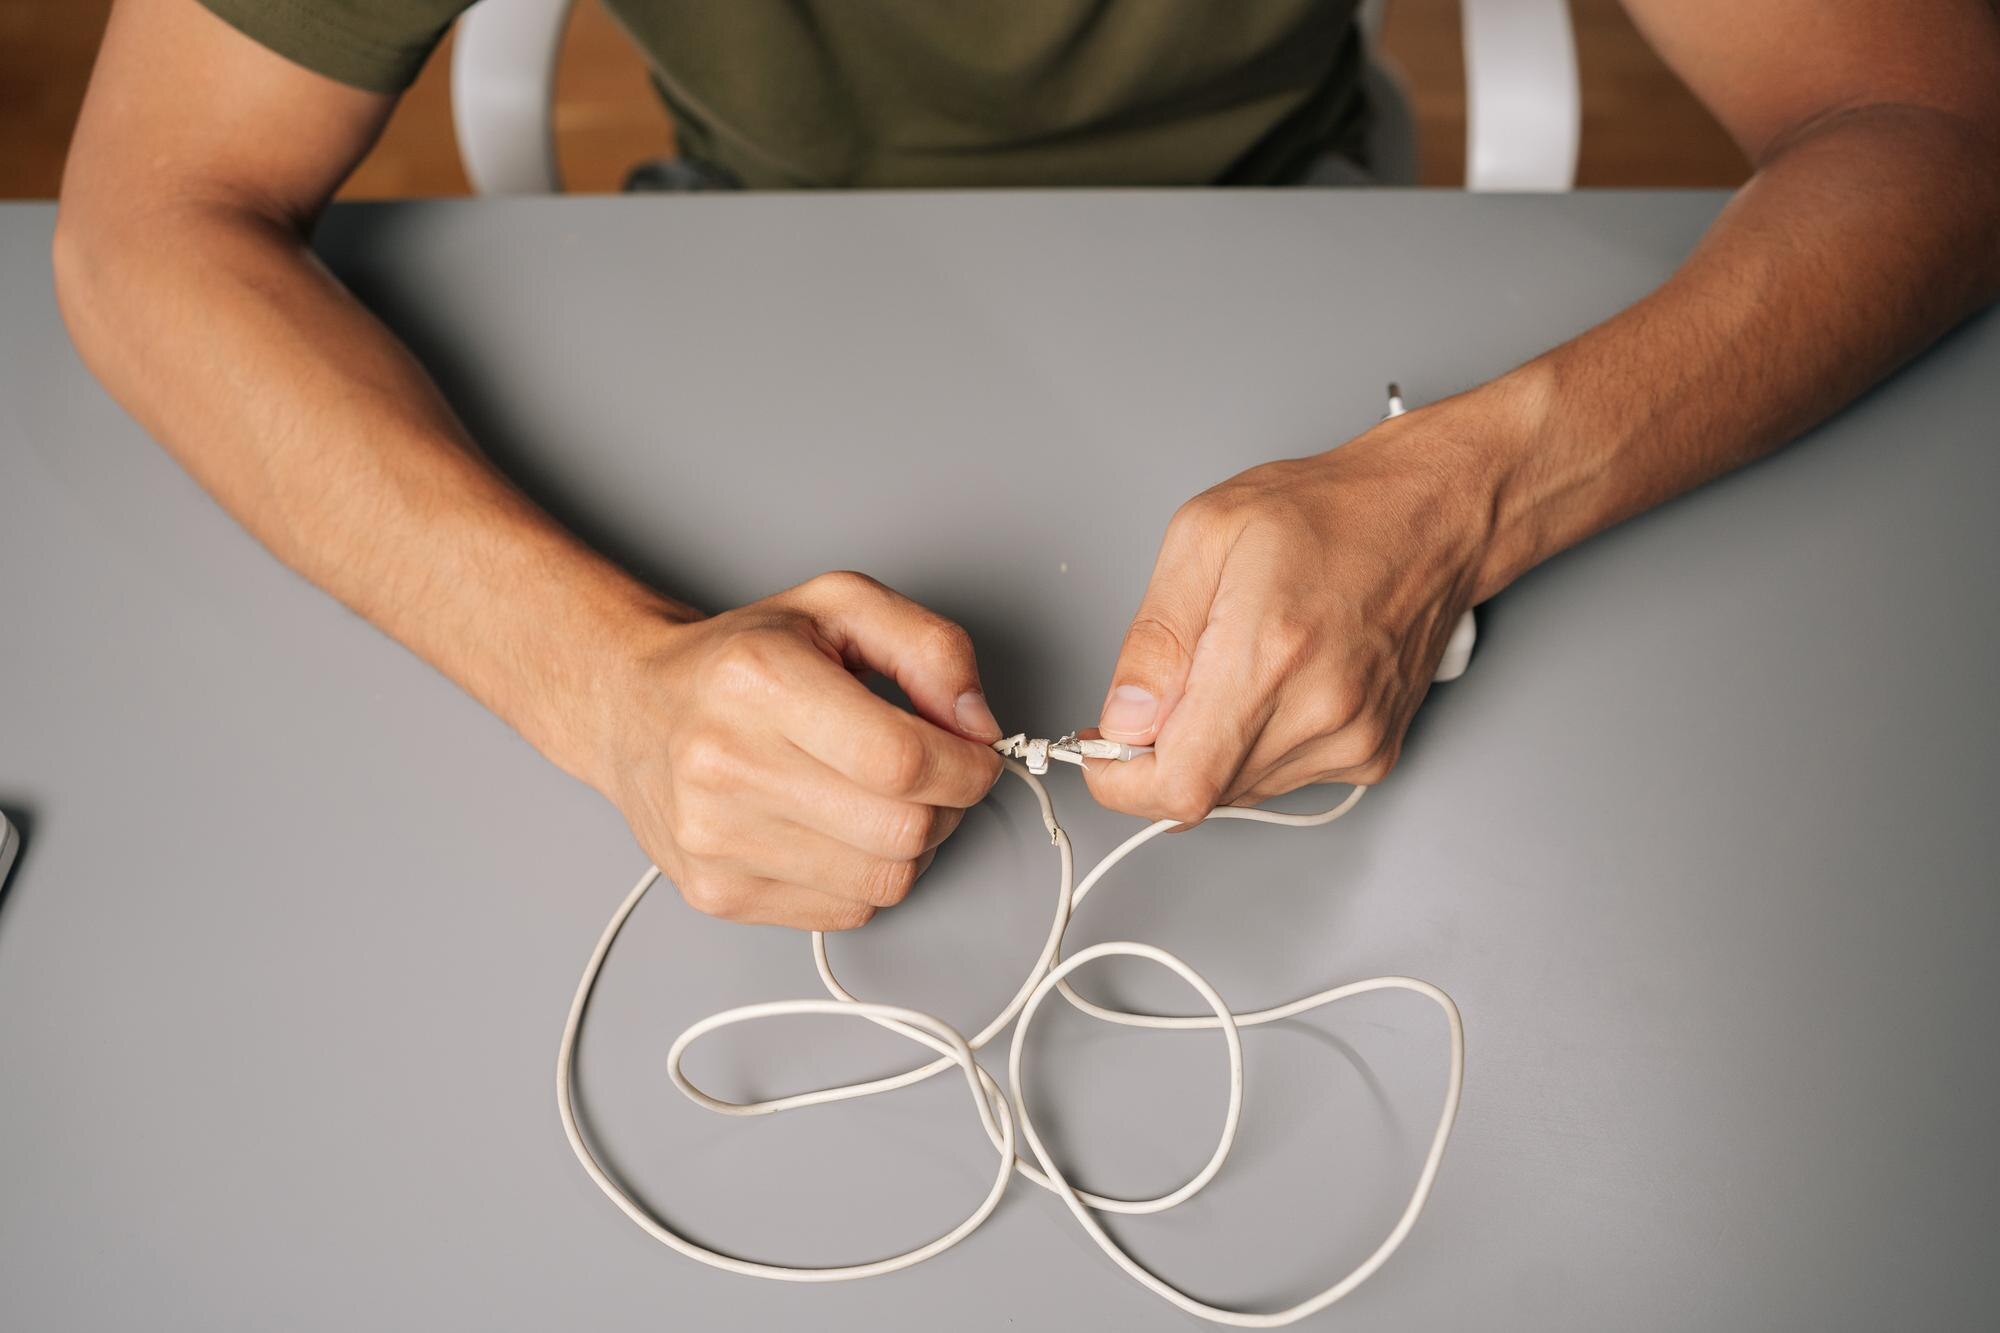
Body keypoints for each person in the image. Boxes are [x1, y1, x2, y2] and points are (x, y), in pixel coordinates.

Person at [54, 0, 2000, 931]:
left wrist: (1471, 489)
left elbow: (1931, 121)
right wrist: (600, 686)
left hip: (1303, 245)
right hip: (733, 270)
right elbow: (146, 222)